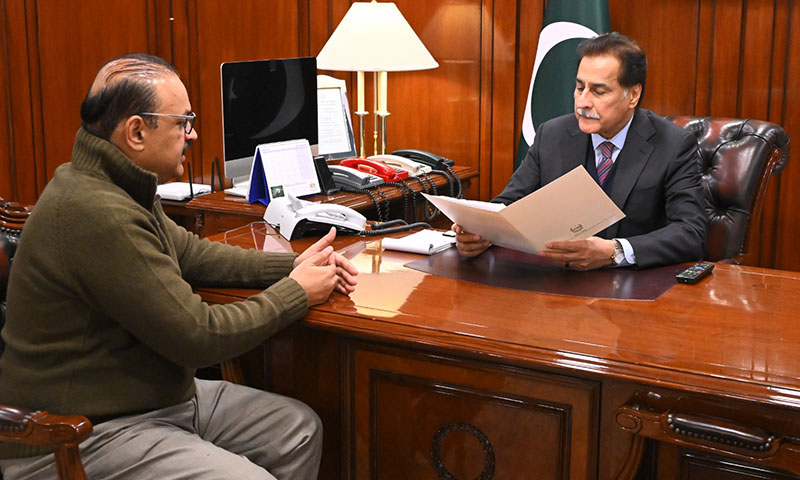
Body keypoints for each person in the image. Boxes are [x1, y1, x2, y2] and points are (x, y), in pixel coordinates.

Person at [0, 53, 358, 479]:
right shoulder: (96, 211)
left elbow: (191, 253)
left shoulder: (119, 183)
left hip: (156, 401)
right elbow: (199, 336)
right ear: (136, 131)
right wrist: (295, 293)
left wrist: (292, 265)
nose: (193, 134)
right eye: (183, 122)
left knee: (295, 430)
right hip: (80, 433)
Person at [454, 32, 707, 270]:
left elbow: (691, 232)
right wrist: (481, 234)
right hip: (555, 281)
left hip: (633, 286)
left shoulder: (672, 144)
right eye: (579, 88)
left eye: (599, 91)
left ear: (633, 95)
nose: (583, 102)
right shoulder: (552, 135)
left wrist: (615, 251)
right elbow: (509, 205)